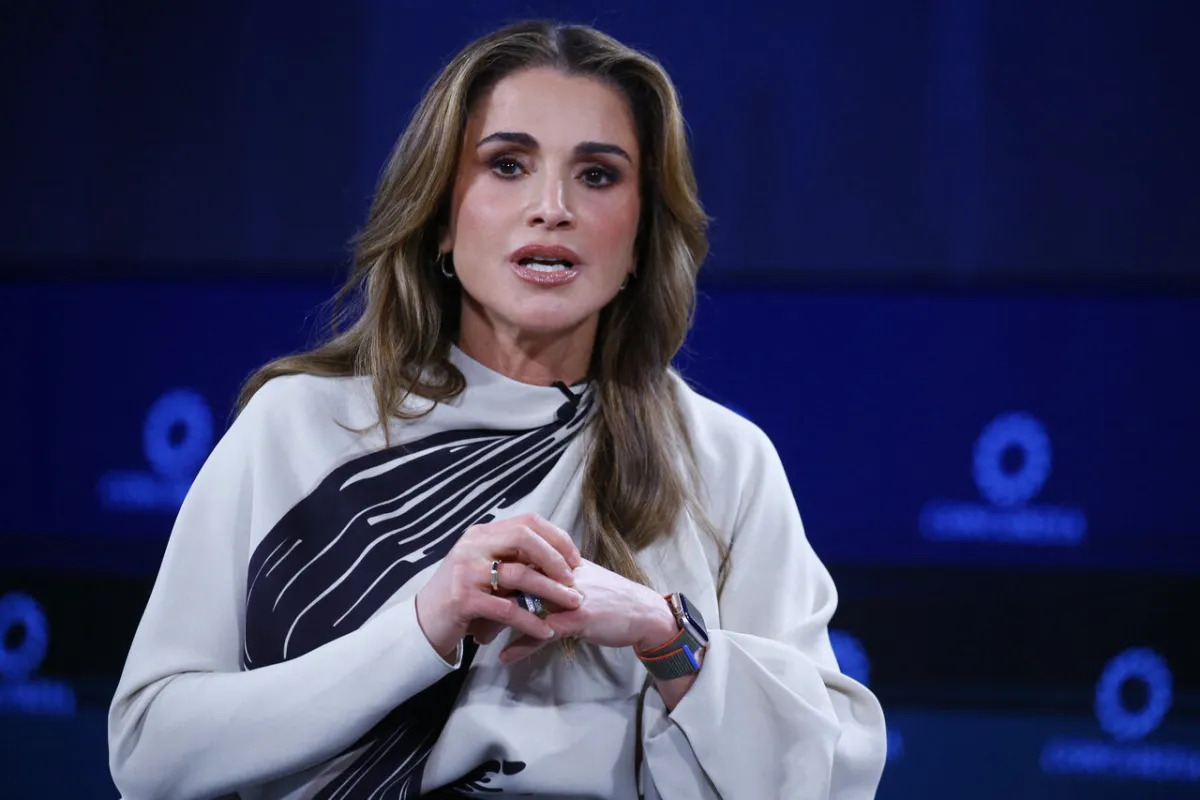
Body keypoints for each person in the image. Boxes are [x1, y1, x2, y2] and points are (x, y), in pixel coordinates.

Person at [107, 19, 886, 800]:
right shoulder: (296, 425)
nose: (552, 208)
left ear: (644, 234)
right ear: (443, 218)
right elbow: (149, 752)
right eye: (507, 165)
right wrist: (421, 627)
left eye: (598, 175)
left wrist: (667, 634)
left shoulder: (722, 461)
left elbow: (829, 778)